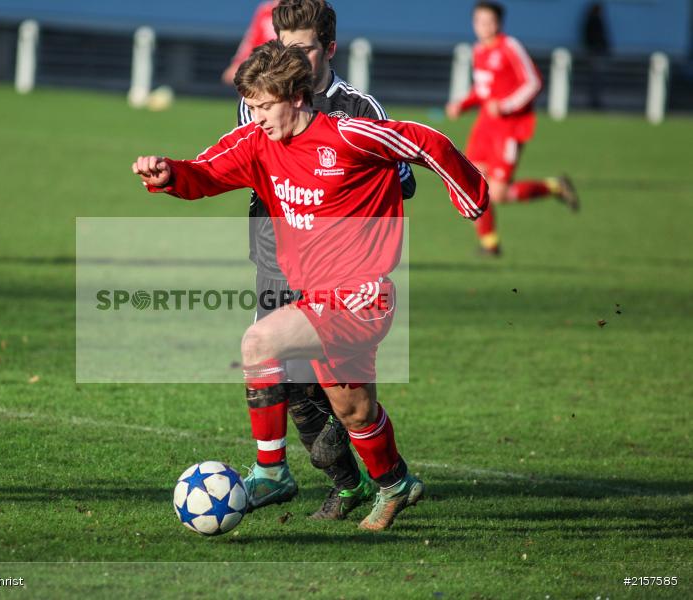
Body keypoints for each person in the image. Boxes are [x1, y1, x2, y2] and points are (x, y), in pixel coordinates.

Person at [132, 41, 489, 530]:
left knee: (259, 341)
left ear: (297, 96)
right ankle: (395, 483)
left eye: (263, 105)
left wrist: (470, 192)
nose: (254, 116)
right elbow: (207, 172)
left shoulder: (348, 136)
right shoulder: (257, 143)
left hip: (363, 296)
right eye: (251, 106)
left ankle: (272, 470)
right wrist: (169, 173)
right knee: (355, 411)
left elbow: (426, 141)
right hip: (315, 298)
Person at [234, 0, 418, 521]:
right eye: (284, 48)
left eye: (305, 49)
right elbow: (248, 159)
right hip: (274, 256)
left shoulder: (360, 110)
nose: (293, 58)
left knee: (342, 392)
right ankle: (345, 482)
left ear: (329, 49)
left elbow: (403, 179)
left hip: (342, 270)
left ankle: (375, 477)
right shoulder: (259, 99)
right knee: (284, 377)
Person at [446, 1, 578, 257]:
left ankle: (555, 187)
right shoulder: (478, 51)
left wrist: (506, 106)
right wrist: (462, 104)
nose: (484, 27)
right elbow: (483, 90)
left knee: (499, 193)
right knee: (473, 183)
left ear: (498, 23)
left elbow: (533, 82)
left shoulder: (510, 47)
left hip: (510, 128)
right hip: (485, 127)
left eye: (489, 22)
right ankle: (490, 243)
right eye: (479, 21)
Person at [222, 1, 279, 86]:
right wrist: (237, 63)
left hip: (280, 68)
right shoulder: (265, 10)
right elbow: (251, 40)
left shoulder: (295, 12)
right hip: (259, 66)